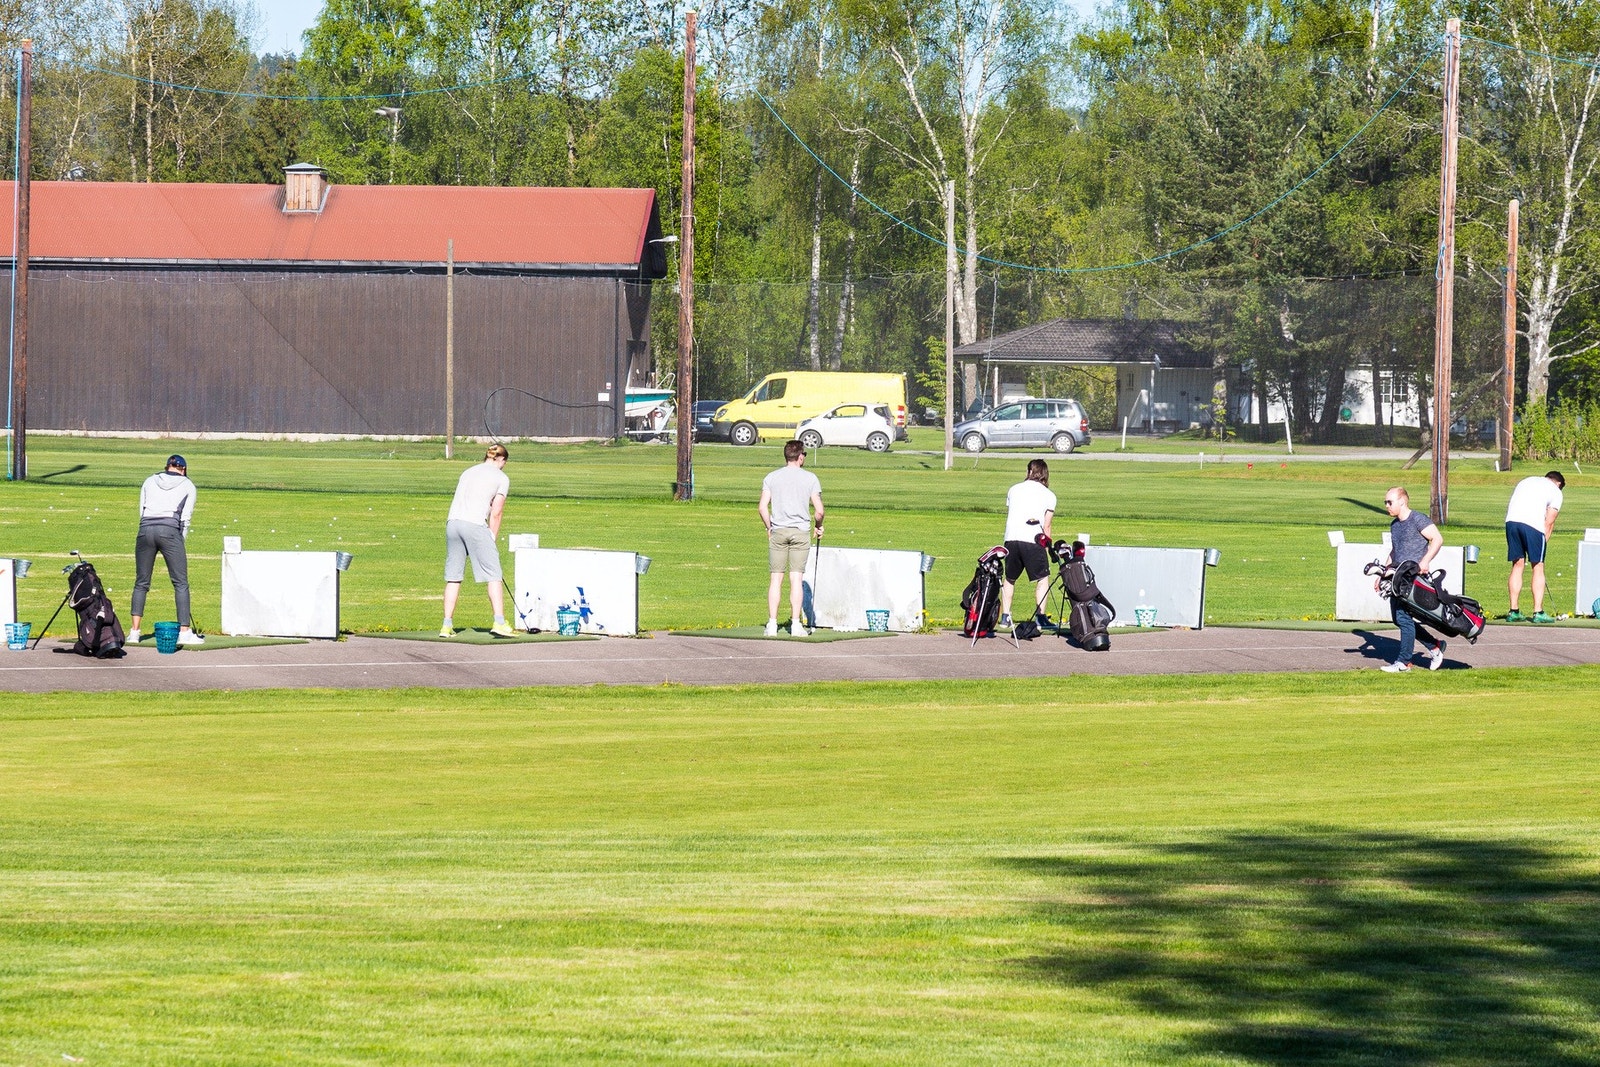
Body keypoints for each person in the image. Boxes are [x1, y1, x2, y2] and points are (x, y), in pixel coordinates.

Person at [128, 454, 203, 646]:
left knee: (141, 582)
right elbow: (185, 518)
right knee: (180, 583)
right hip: (170, 531)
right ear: (183, 469)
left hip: (145, 530)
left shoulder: (149, 480)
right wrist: (180, 541)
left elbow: (141, 510)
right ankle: (184, 632)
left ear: (167, 467)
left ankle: (134, 633)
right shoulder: (188, 485)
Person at [441, 443, 515, 638]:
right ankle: (499, 621)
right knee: (494, 574)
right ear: (501, 460)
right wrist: (492, 536)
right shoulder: (501, 477)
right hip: (474, 525)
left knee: (453, 576)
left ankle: (446, 625)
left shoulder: (468, 471)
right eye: (504, 463)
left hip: (453, 523)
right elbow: (496, 512)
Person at [758, 439, 824, 637]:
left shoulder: (771, 477)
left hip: (778, 531)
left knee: (775, 579)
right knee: (796, 578)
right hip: (800, 532)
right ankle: (796, 625)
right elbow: (819, 511)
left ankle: (772, 624)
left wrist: (770, 527)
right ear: (800, 456)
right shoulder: (810, 478)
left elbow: (762, 507)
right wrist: (819, 526)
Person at [1379, 486, 1446, 672]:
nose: (1387, 506)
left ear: (1402, 501)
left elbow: (1437, 539)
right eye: (1385, 502)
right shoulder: (1395, 525)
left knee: (1403, 616)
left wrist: (1425, 561)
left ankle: (1404, 662)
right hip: (1397, 577)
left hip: (1413, 577)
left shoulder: (1417, 519)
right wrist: (1383, 574)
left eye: (1389, 502)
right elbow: (1395, 552)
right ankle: (1434, 646)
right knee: (1399, 619)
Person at [999, 458, 1056, 630]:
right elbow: (1047, 525)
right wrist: (1048, 547)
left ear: (1030, 471)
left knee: (1009, 578)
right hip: (1033, 540)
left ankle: (1005, 616)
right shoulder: (1049, 495)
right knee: (1042, 579)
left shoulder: (1014, 489)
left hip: (1011, 539)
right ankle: (1040, 617)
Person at [1505, 470, 1565, 623]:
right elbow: (1549, 522)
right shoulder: (1556, 491)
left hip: (1511, 522)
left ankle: (1514, 611)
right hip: (1533, 526)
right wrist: (1544, 543)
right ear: (1558, 483)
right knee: (1537, 566)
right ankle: (1538, 612)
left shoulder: (1527, 479)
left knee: (1517, 565)